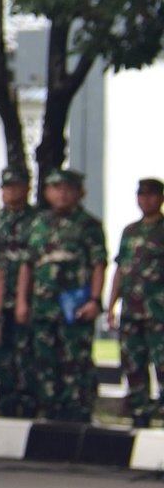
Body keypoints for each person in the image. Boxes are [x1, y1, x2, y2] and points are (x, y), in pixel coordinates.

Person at [16, 169, 107, 422]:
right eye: (56, 188)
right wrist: (22, 301)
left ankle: (77, 411)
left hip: (75, 306)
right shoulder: (37, 224)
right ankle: (50, 408)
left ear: (79, 193)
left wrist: (95, 300)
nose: (62, 193)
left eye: (68, 188)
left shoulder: (88, 226)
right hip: (43, 306)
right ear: (46, 192)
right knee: (44, 359)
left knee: (75, 361)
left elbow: (99, 264)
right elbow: (27, 265)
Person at [107, 177, 164, 427]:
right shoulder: (130, 231)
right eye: (142, 195)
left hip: (158, 312)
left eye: (151, 195)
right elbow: (121, 270)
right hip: (131, 310)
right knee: (133, 362)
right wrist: (111, 305)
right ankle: (139, 411)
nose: (146, 200)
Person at [0, 168, 36, 418]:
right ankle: (5, 401)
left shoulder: (37, 220)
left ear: (27, 189)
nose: (10, 193)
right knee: (0, 354)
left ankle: (28, 402)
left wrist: (23, 300)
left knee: (25, 352)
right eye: (6, 188)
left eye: (15, 187)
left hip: (26, 298)